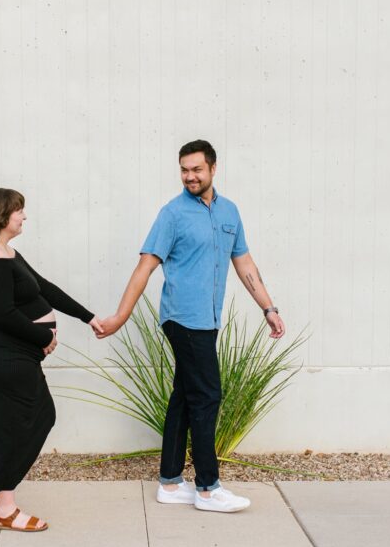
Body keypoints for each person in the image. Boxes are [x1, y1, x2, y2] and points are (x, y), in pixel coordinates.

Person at [97, 140, 286, 513]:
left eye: (196, 169)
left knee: (184, 395)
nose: (189, 176)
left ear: (213, 168)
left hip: (208, 319)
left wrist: (268, 306)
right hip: (183, 318)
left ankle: (170, 483)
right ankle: (207, 488)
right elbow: (145, 267)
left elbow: (244, 263)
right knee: (207, 395)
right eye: (184, 169)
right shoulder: (172, 214)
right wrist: (120, 316)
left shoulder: (230, 212)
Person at [0, 187, 104, 532]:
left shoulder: (5, 252)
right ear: (1, 215)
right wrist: (44, 337)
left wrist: (88, 317)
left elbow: (44, 287)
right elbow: (3, 314)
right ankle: (2, 502)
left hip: (6, 355)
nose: (24, 216)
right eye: (19, 210)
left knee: (12, 427)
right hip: (1, 357)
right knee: (33, 421)